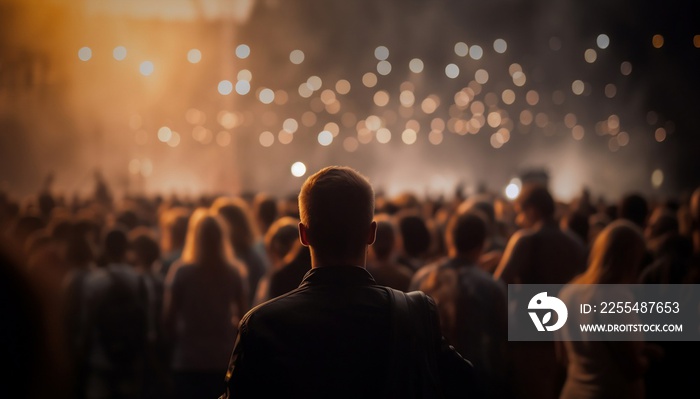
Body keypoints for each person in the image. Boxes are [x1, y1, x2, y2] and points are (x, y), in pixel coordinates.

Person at [223, 166, 475, 398]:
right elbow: (468, 384)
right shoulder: (415, 313)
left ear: (303, 234)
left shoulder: (261, 325)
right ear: (371, 233)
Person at [413, 209, 508, 398]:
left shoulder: (421, 278)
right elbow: (504, 343)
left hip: (428, 380)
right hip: (477, 382)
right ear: (483, 243)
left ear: (449, 239)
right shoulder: (491, 286)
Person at [557, 220, 655, 399]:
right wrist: (653, 358)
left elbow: (563, 357)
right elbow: (631, 368)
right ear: (632, 258)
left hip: (574, 391)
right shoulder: (614, 297)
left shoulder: (568, 292)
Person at [163, 209, 249, 399]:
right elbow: (244, 318)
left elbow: (168, 318)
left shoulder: (181, 272)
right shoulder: (234, 273)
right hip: (222, 357)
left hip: (188, 358)